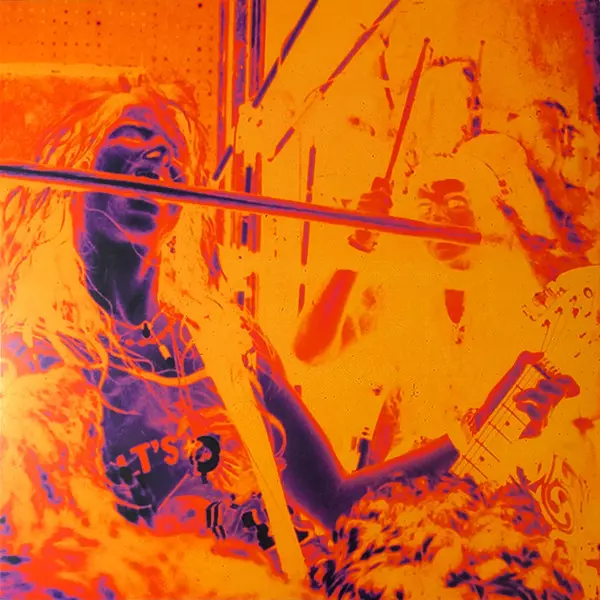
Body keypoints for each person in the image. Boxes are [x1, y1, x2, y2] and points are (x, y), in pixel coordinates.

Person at [0, 81, 570, 595]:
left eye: (175, 155)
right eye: (133, 134)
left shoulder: (228, 349)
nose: (160, 157)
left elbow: (339, 505)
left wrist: (484, 423)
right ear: (73, 166)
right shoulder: (32, 360)